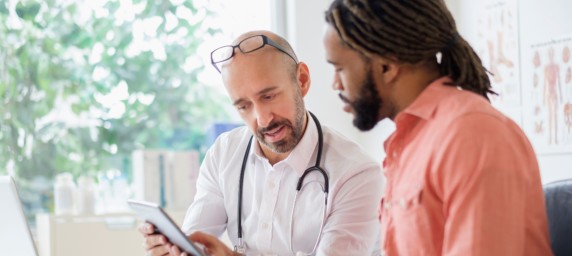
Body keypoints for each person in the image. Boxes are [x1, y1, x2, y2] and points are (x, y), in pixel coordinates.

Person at [322, 0, 552, 255]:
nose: (336, 85)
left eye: (339, 69)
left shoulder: (473, 136)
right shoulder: (410, 142)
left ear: (386, 66)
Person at [139, 30, 383, 256]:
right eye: (244, 106)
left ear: (302, 80)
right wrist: (175, 249)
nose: (263, 119)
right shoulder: (224, 153)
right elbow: (197, 239)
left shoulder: (357, 174)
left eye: (268, 96)